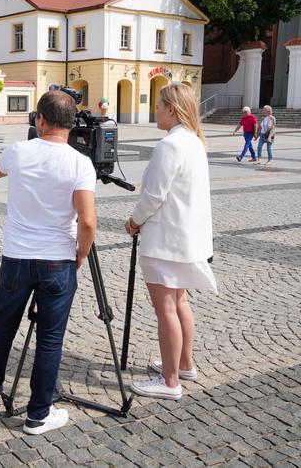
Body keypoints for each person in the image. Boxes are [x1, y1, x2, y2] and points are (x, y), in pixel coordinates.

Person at [0, 91, 97, 435]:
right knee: (50, 339)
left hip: (16, 256)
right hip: (58, 260)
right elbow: (87, 222)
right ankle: (38, 413)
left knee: (3, 328)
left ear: (39, 120)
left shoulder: (20, 151)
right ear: (71, 125)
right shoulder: (80, 163)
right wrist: (82, 251)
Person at [125, 83, 216, 401]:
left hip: (166, 239)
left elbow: (153, 195)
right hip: (185, 238)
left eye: (159, 105)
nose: (156, 111)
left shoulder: (170, 145)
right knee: (179, 303)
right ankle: (184, 364)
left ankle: (170, 379)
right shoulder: (193, 141)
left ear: (172, 109)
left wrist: (134, 221)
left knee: (166, 308)